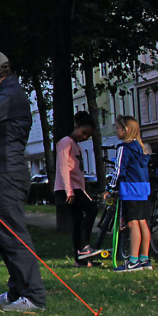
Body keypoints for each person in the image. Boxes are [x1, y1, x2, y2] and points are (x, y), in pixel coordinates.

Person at [0, 51, 46, 312]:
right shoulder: (5, 94)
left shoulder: (10, 95)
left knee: (15, 237)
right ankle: (17, 291)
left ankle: (34, 296)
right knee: (5, 238)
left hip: (7, 174)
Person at [56, 111, 102, 267]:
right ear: (76, 127)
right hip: (68, 187)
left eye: (88, 136)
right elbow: (63, 167)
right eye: (83, 133)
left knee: (77, 221)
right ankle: (84, 247)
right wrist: (69, 190)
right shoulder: (65, 142)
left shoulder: (76, 146)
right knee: (92, 209)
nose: (84, 137)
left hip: (75, 187)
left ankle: (81, 260)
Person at [109, 116, 153, 272]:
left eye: (117, 128)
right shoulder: (140, 147)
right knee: (142, 223)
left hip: (130, 190)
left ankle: (133, 261)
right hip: (143, 190)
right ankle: (144, 258)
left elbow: (118, 170)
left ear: (125, 130)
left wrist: (110, 188)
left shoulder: (123, 148)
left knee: (132, 223)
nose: (116, 131)